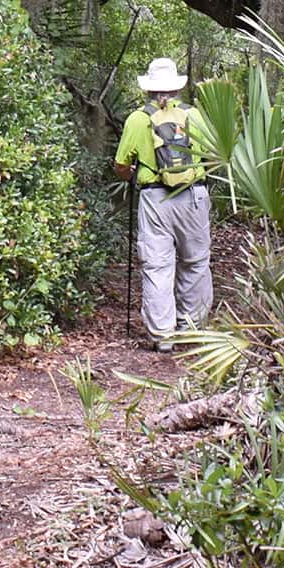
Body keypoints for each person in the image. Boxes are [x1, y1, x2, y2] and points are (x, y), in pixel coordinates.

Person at [113, 57, 212, 351]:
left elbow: (121, 165)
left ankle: (163, 337)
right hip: (193, 195)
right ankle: (191, 329)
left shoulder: (137, 119)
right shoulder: (193, 115)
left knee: (158, 266)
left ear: (149, 89)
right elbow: (209, 153)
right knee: (194, 262)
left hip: (155, 198)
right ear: (175, 87)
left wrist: (131, 172)